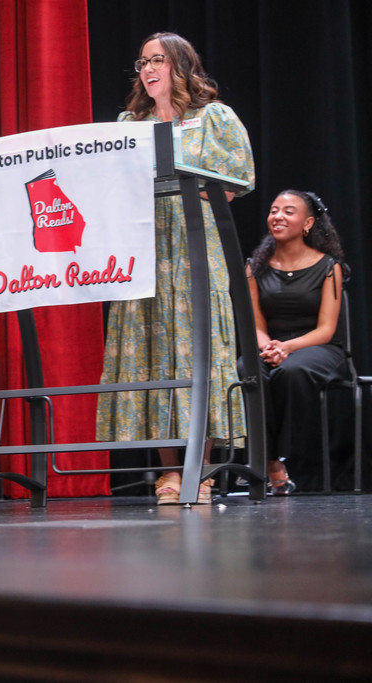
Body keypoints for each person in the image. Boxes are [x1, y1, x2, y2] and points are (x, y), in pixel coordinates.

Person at [96, 32, 256, 504]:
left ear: (181, 66)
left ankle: (199, 472)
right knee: (150, 349)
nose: (147, 69)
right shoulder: (129, 122)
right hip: (141, 245)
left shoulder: (214, 118)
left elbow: (236, 180)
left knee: (194, 351)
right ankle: (170, 472)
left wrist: (191, 187)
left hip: (192, 243)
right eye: (142, 62)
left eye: (158, 60)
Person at [245, 190, 346, 494]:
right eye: (274, 210)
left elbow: (326, 329)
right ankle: (273, 464)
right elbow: (255, 325)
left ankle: (279, 459)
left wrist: (287, 348)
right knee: (249, 370)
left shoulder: (329, 267)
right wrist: (268, 347)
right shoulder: (255, 268)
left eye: (289, 211)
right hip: (269, 345)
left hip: (317, 347)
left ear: (308, 223)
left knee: (292, 372)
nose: (278, 216)